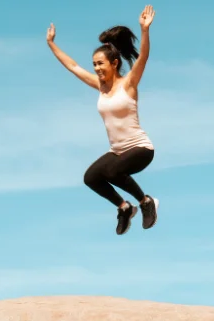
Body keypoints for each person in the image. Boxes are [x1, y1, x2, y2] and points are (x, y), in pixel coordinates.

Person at [47, 5, 157, 235]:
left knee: (113, 172)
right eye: (94, 64)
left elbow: (143, 57)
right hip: (117, 151)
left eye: (101, 64)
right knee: (91, 178)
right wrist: (52, 45)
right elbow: (73, 66)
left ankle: (146, 202)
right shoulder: (100, 87)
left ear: (114, 63)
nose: (96, 68)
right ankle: (125, 208)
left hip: (140, 148)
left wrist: (144, 31)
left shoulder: (128, 84)